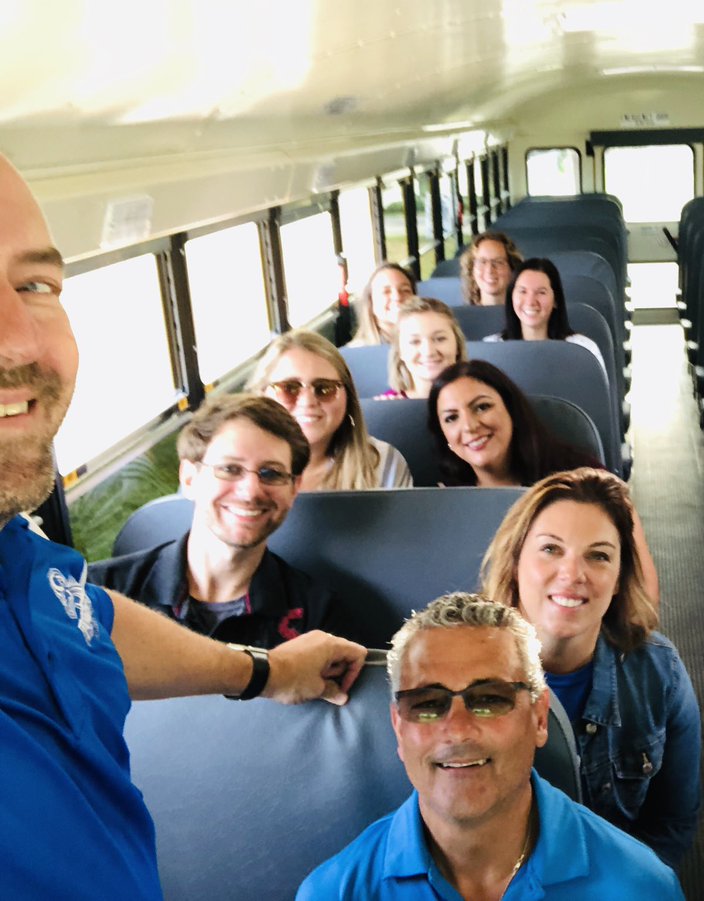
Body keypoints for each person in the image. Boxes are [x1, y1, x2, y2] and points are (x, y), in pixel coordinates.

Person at [0, 153, 366, 899]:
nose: (19, 341)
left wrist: (261, 669)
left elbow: (80, 624)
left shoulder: (24, 556)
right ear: (188, 476)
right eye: (230, 468)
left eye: (34, 285)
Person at [297, 592, 685, 900]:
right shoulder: (334, 892)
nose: (459, 731)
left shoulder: (639, 887)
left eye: (489, 699)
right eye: (428, 704)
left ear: (538, 717)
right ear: (399, 729)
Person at [480, 469, 699, 868]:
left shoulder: (658, 673)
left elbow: (673, 824)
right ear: (515, 561)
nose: (572, 574)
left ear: (618, 580)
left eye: (598, 556)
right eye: (550, 549)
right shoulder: (460, 668)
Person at [88, 394, 361, 648]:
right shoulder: (99, 593)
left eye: (271, 473)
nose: (251, 491)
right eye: (230, 469)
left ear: (294, 487)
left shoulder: (318, 620)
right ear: (189, 477)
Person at [248, 329, 412, 490]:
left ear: (347, 397)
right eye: (289, 388)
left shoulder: (382, 463)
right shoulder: (237, 469)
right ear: (262, 395)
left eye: (325, 389)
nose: (308, 401)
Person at [428, 359, 600, 488]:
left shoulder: (582, 478)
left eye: (482, 407)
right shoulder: (444, 503)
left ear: (511, 409)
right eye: (451, 418)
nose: (469, 426)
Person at [484, 257, 607, 377]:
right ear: (511, 297)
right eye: (523, 291)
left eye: (541, 292)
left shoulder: (583, 349)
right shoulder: (490, 349)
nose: (530, 301)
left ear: (556, 300)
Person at [378, 296, 468, 400]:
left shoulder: (481, 396)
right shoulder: (386, 404)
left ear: (457, 345)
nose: (428, 352)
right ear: (400, 352)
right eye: (414, 341)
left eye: (439, 339)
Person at [348, 262, 418, 347]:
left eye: (405, 290)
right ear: (370, 302)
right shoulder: (357, 354)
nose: (397, 297)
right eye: (386, 291)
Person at [461, 231, 522, 306]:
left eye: (498, 262)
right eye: (482, 262)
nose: (489, 270)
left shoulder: (525, 315)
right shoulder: (459, 316)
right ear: (472, 271)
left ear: (512, 269)